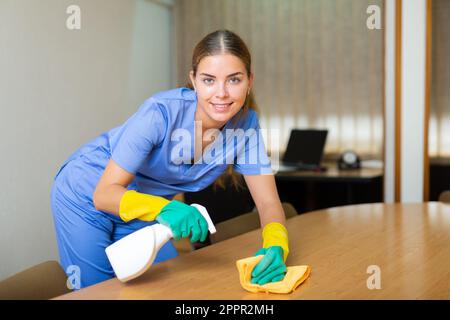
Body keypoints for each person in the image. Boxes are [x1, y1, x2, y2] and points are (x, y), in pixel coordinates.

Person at [51, 29, 289, 289]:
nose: (221, 93)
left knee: (172, 286)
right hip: (86, 194)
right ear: (194, 80)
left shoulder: (247, 126)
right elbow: (104, 194)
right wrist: (164, 209)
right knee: (97, 292)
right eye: (209, 80)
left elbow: (267, 203)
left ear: (249, 80)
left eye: (234, 80)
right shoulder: (161, 112)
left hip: (142, 208)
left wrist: (277, 244)